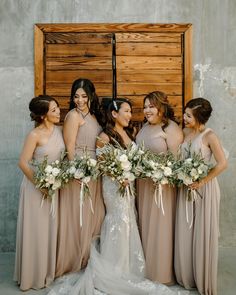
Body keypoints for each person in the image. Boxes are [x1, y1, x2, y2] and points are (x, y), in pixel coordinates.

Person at [47, 98, 186, 295]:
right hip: (113, 188)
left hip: (129, 186)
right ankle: (115, 268)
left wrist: (132, 173)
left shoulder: (130, 133)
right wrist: (119, 176)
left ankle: (129, 268)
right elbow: (103, 164)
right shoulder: (104, 137)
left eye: (130, 111)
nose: (131, 115)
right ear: (114, 114)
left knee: (130, 219)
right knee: (119, 220)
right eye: (127, 111)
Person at [174, 98, 227, 295]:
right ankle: (187, 275)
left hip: (204, 189)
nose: (185, 118)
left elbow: (222, 164)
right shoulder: (186, 133)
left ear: (199, 117)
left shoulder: (210, 136)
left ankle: (202, 276)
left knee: (202, 232)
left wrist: (202, 181)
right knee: (186, 230)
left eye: (189, 115)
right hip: (186, 187)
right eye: (185, 114)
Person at [14, 95, 65, 290]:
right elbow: (23, 162)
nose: (58, 111)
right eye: (53, 110)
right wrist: (40, 184)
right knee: (35, 230)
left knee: (50, 230)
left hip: (54, 187)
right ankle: (31, 275)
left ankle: (47, 272)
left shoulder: (60, 131)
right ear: (43, 115)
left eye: (57, 108)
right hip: (35, 189)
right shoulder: (34, 135)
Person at [55, 78, 105, 277]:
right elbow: (69, 147)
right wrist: (78, 171)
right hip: (79, 171)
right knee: (78, 214)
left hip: (95, 169)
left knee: (94, 214)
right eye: (76, 96)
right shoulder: (73, 116)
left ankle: (88, 257)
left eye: (84, 96)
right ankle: (74, 259)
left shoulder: (94, 116)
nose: (80, 100)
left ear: (91, 95)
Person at [136, 91, 183, 284]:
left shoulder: (171, 128)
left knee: (161, 227)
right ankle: (145, 267)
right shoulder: (144, 127)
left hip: (163, 188)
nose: (147, 110)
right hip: (144, 185)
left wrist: (162, 173)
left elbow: (176, 161)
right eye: (145, 106)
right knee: (145, 225)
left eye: (151, 106)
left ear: (161, 107)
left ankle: (161, 272)